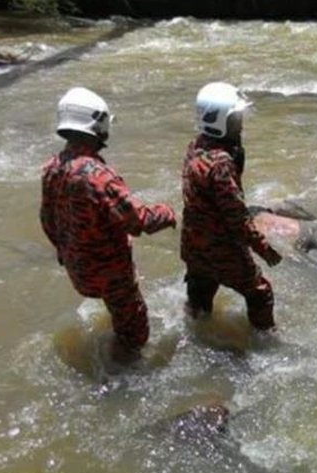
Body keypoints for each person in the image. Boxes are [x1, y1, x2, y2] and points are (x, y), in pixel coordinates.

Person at [40, 87, 176, 362]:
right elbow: (139, 221)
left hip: (78, 268)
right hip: (110, 272)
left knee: (117, 313)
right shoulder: (98, 176)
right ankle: (120, 383)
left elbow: (47, 219)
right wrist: (169, 212)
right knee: (135, 333)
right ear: (96, 125)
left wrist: (65, 252)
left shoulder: (52, 167)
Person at [181, 82, 282, 331]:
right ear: (220, 122)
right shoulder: (222, 164)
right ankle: (266, 345)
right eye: (236, 118)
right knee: (260, 293)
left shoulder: (196, 147)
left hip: (193, 244)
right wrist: (264, 248)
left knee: (200, 292)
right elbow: (236, 217)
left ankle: (196, 329)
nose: (241, 123)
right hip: (221, 246)